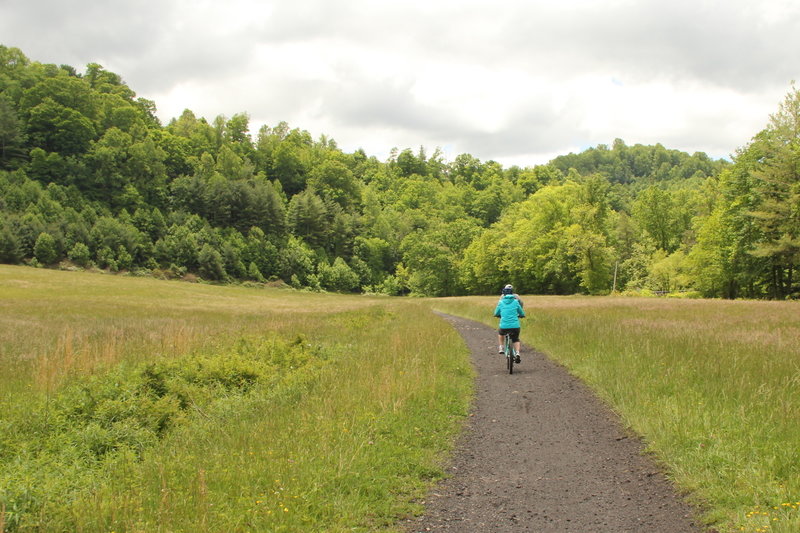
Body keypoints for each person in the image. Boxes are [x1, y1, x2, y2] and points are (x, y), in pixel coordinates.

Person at [494, 285, 525, 363]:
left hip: (504, 325)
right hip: (515, 326)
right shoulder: (516, 301)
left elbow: (496, 313)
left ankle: (501, 347)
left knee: (501, 333)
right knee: (516, 339)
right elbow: (521, 312)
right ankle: (517, 353)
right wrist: (521, 315)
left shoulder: (501, 301)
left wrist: (498, 315)